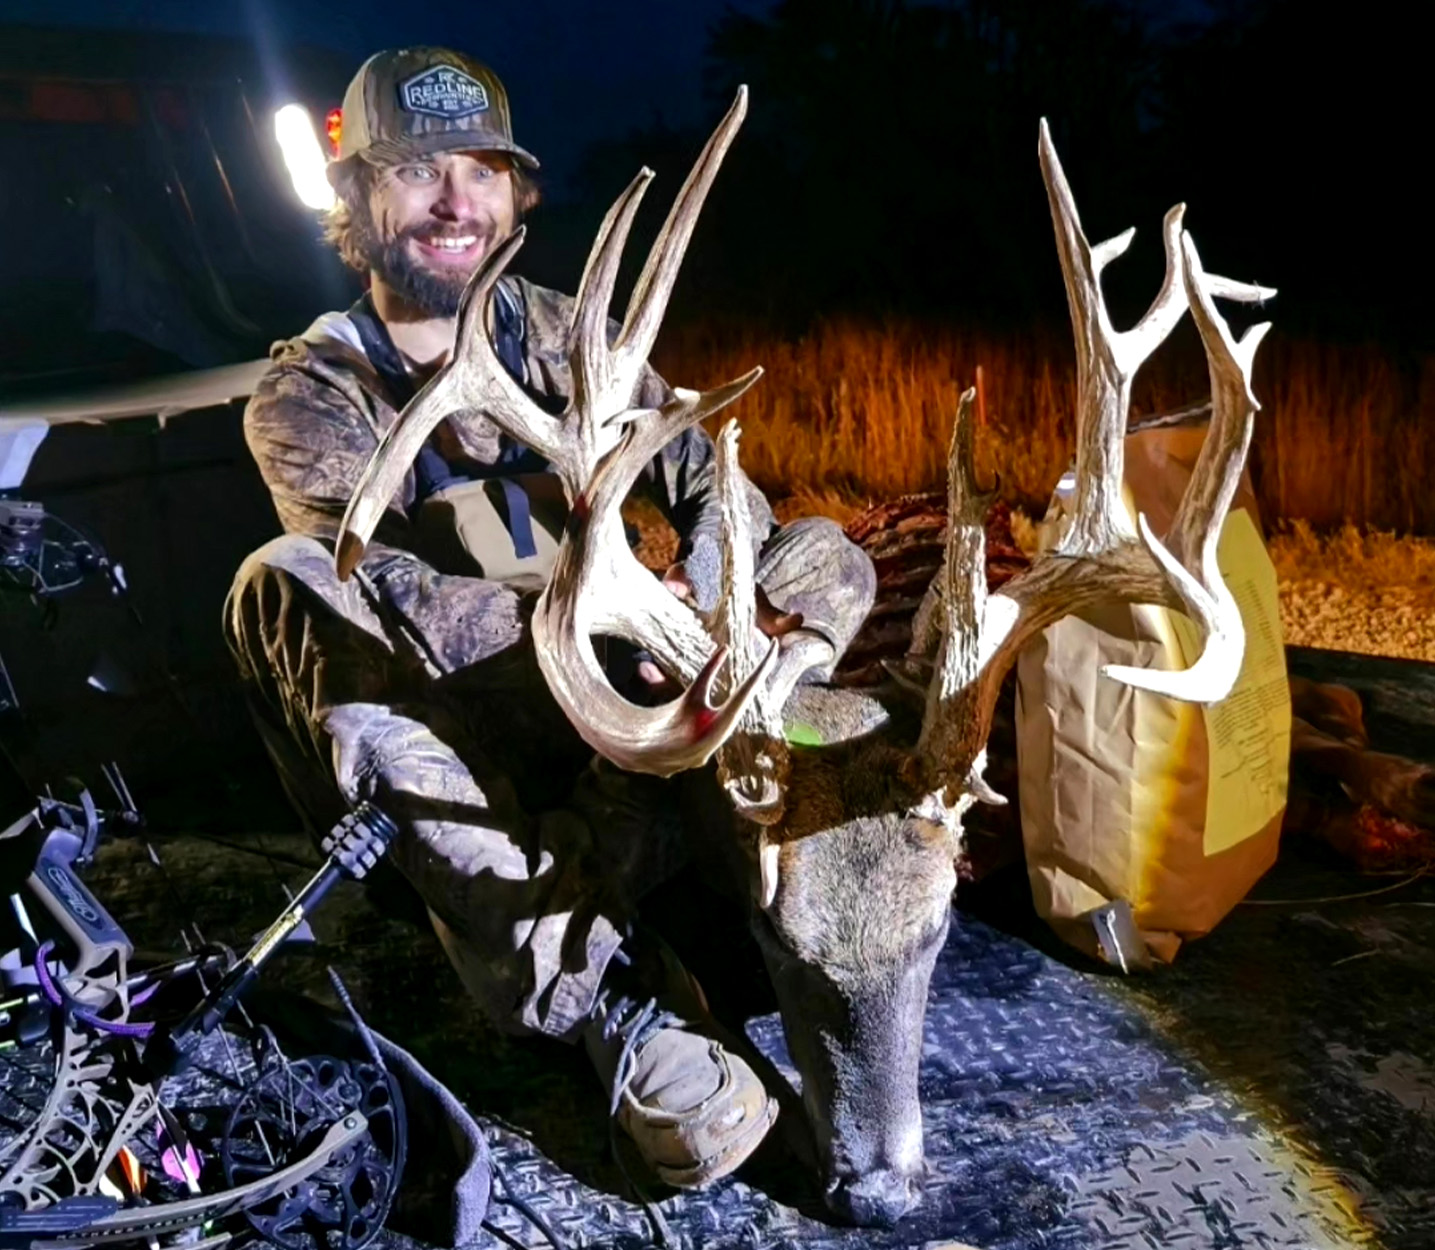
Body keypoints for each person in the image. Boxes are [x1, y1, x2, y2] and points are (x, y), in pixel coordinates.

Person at [224, 46, 876, 1190]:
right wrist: (606, 628)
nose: (452, 202)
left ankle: (786, 838)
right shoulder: (310, 390)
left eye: (480, 171)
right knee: (280, 581)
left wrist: (714, 593)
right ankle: (606, 989)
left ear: (517, 194)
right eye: (416, 172)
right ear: (360, 201)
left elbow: (708, 473)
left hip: (635, 710)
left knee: (819, 553)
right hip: (459, 752)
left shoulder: (572, 333)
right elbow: (389, 594)